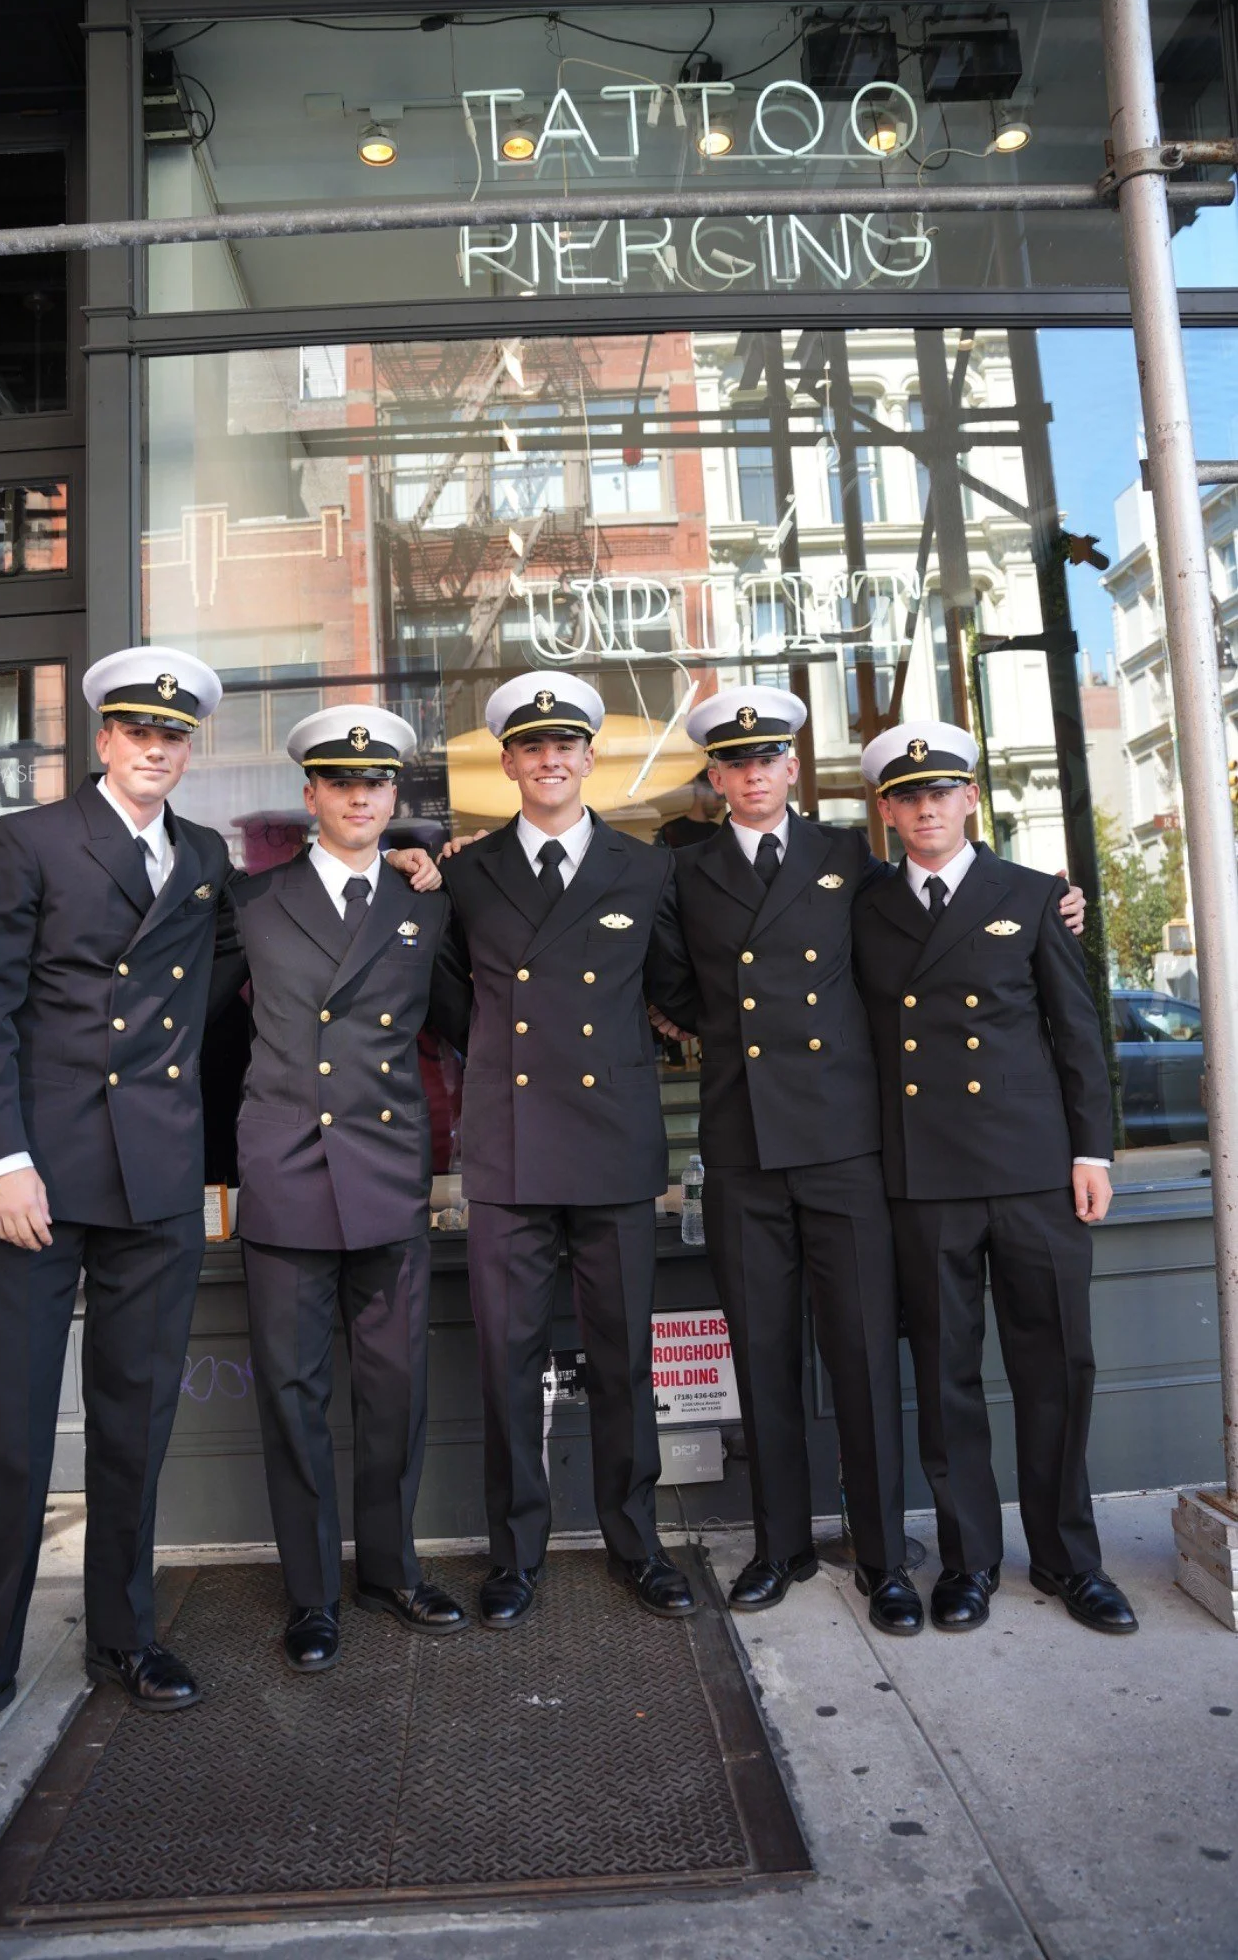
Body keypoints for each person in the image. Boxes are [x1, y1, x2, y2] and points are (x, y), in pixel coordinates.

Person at [0, 647, 232, 1772]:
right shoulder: (31, 841)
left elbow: (249, 979)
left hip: (153, 1188)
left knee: (136, 1429)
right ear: (101, 738)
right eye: (138, 729)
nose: (156, 747)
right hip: (32, 1185)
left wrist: (415, 868)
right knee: (10, 1436)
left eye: (175, 734)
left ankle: (125, 1637)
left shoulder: (203, 856)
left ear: (191, 749)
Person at [851, 721, 1137, 1636]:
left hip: (1030, 1169)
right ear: (886, 810)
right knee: (943, 1377)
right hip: (923, 1172)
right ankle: (968, 1561)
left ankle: (1066, 1558)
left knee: (1055, 1366)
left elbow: (1074, 1031)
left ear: (970, 798)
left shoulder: (1034, 894)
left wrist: (1090, 1152)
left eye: (941, 791)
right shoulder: (861, 906)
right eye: (906, 796)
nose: (925, 807)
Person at [655, 687, 917, 1633]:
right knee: (760, 1354)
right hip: (741, 1141)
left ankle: (883, 1557)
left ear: (792, 769)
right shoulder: (682, 870)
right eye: (733, 763)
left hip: (844, 1141)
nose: (752, 774)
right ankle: (779, 1546)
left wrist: (1046, 897)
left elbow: (921, 943)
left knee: (857, 1354)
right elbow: (671, 983)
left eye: (767, 758)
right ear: (715, 778)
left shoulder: (849, 855)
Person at [439, 672, 693, 1628]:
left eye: (566, 746)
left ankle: (637, 1544)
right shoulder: (466, 872)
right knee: (506, 1364)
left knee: (624, 1358)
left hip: (615, 1146)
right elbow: (448, 996)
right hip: (509, 1151)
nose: (550, 760)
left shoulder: (646, 870)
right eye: (531, 748)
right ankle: (514, 1557)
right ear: (507, 764)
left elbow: (678, 987)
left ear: (591, 759)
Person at [226, 706, 471, 1671]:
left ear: (394, 799)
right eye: (341, 783)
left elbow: (467, 1018)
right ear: (311, 797)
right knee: (292, 1395)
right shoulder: (249, 902)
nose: (361, 795)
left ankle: (392, 1569)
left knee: (394, 1388)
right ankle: (311, 1593)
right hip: (286, 1172)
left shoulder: (427, 904)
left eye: (377, 785)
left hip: (384, 1172)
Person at [654, 768, 726, 850]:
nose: (721, 804)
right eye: (719, 797)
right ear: (701, 791)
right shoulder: (670, 832)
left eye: (724, 799)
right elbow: (657, 861)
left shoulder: (720, 833)